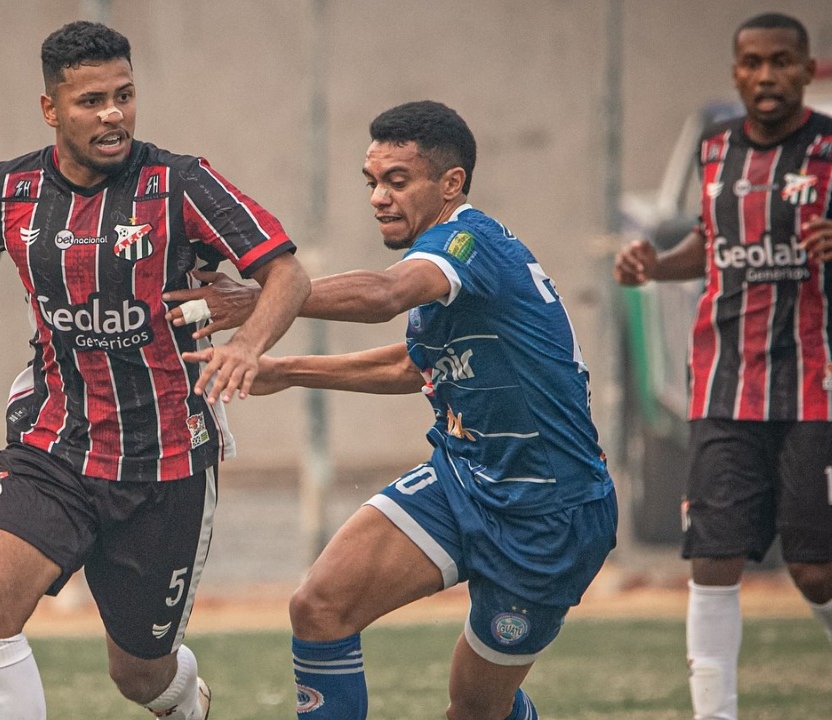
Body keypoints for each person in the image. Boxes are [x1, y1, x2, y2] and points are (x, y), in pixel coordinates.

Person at [0, 20, 310, 720]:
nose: (113, 113)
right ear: (51, 110)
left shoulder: (180, 183)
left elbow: (286, 273)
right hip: (54, 444)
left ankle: (184, 699)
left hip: (164, 464)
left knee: (138, 674)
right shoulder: (5, 189)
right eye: (92, 99)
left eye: (124, 95)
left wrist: (249, 342)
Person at [168, 100, 617, 720]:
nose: (379, 196)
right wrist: (286, 371)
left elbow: (384, 294)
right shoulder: (444, 265)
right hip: (464, 478)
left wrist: (262, 301)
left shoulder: (468, 242)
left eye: (398, 181)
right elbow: (412, 367)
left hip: (550, 511)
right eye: (372, 181)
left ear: (450, 183)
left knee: (476, 708)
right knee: (319, 607)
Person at [613, 12, 832, 720]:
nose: (766, 75)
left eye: (782, 62)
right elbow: (709, 244)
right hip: (723, 386)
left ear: (807, 71)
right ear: (736, 72)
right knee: (712, 559)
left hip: (816, 385)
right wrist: (655, 265)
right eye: (753, 63)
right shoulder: (716, 152)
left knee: (813, 568)